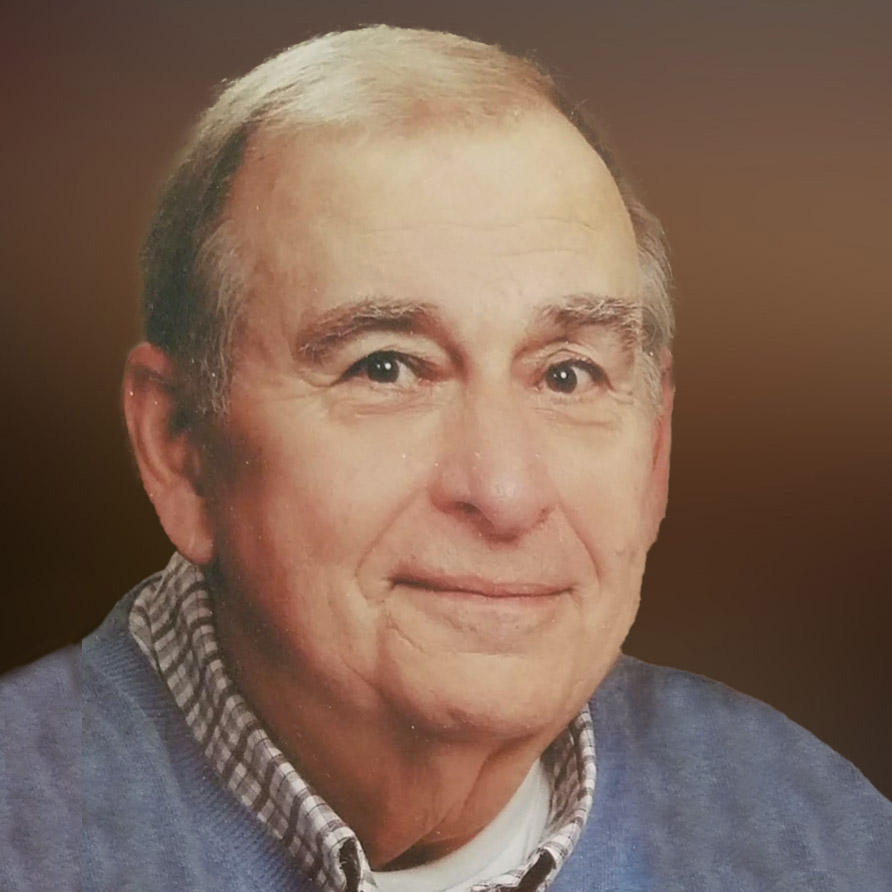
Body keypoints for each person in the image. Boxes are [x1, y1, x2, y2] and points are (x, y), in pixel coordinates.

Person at [1, 24, 889, 892]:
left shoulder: (820, 836)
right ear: (181, 449)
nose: (504, 491)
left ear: (655, 451)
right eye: (385, 367)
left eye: (568, 375)